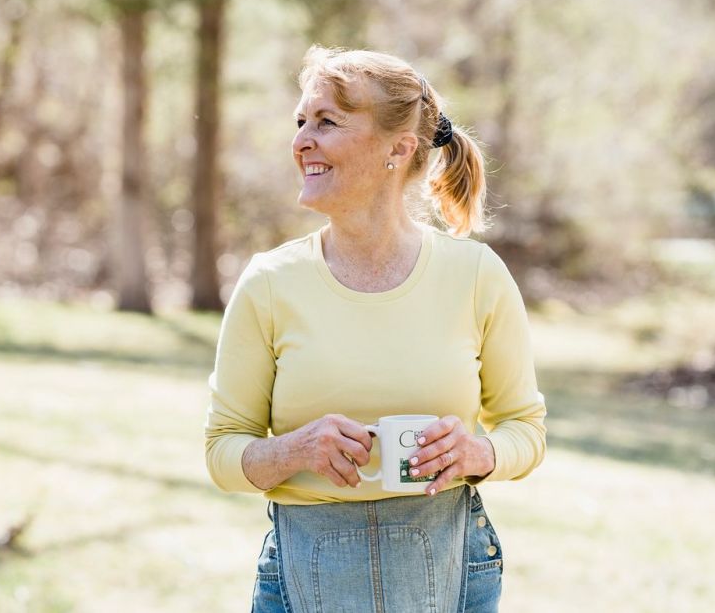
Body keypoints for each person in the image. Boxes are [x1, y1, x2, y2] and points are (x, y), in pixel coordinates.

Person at [204, 46, 547, 612]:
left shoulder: (476, 276)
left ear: (400, 147)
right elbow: (222, 452)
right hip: (302, 572)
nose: (301, 141)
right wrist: (294, 451)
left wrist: (478, 453)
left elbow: (525, 431)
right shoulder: (270, 282)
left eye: (327, 122)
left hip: (450, 564)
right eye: (300, 122)